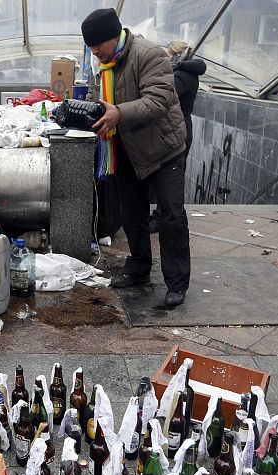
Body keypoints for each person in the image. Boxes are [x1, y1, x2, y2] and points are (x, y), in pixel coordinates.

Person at [82, 8, 191, 307]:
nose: (94, 51)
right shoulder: (101, 63)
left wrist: (118, 113)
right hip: (126, 148)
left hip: (163, 148)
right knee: (132, 212)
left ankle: (177, 282)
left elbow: (159, 100)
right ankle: (139, 267)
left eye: (97, 45)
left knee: (171, 216)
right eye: (90, 46)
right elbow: (97, 100)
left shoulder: (149, 54)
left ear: (113, 36)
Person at [149, 41, 207, 233]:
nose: (165, 59)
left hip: (178, 128)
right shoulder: (184, 72)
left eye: (168, 55)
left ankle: (163, 218)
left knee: (171, 177)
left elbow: (165, 95)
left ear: (176, 56)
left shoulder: (183, 75)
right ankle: (163, 216)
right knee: (171, 176)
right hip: (179, 127)